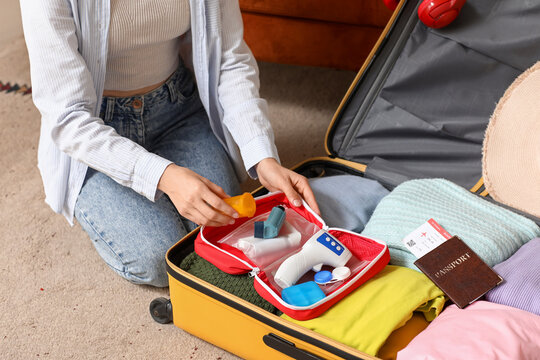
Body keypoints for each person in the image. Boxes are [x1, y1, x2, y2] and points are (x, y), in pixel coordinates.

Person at [20, 0, 320, 287]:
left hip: (177, 108)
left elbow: (228, 58)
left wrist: (262, 156)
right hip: (95, 129)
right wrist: (165, 176)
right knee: (159, 259)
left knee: (221, 231)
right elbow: (68, 117)